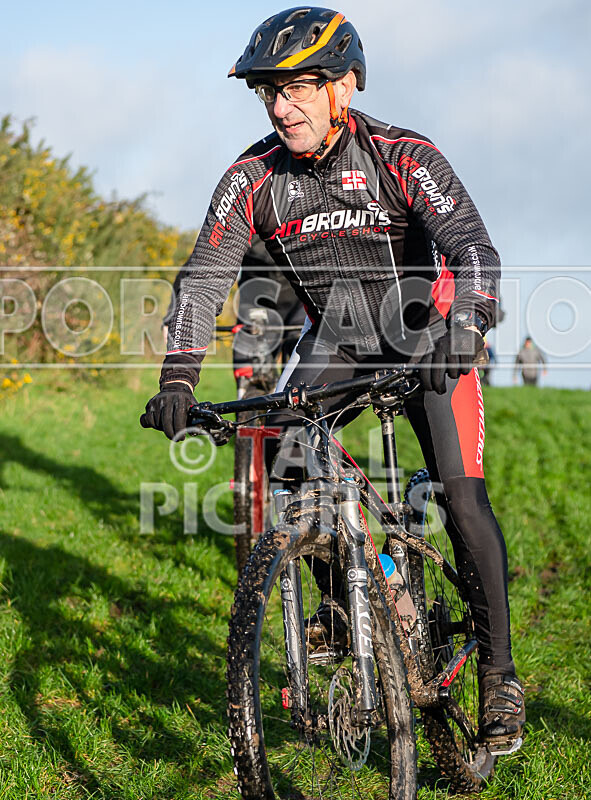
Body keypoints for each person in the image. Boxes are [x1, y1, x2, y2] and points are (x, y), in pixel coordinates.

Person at [140, 6, 525, 754]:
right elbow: (201, 283)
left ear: (344, 84)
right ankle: (362, 592)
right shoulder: (252, 178)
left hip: (426, 336)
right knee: (284, 454)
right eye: (269, 94)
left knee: (459, 491)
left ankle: (500, 673)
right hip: (339, 339)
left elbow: (473, 246)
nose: (281, 107)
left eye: (298, 89)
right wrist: (178, 380)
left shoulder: (401, 155)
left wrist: (468, 324)